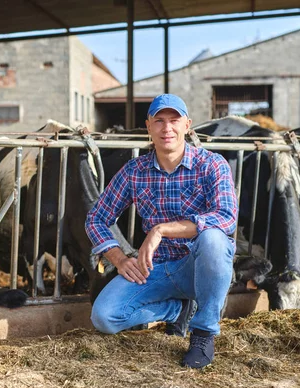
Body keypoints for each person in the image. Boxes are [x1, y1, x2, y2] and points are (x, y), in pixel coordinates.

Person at [85, 94, 238, 369]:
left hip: (198, 267)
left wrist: (162, 230)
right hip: (154, 270)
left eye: (174, 120)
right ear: (148, 127)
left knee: (214, 237)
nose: (167, 128)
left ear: (188, 125)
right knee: (104, 317)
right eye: (159, 121)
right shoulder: (135, 171)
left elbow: (226, 218)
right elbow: (96, 218)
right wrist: (119, 259)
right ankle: (176, 310)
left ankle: (203, 334)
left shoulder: (212, 165)